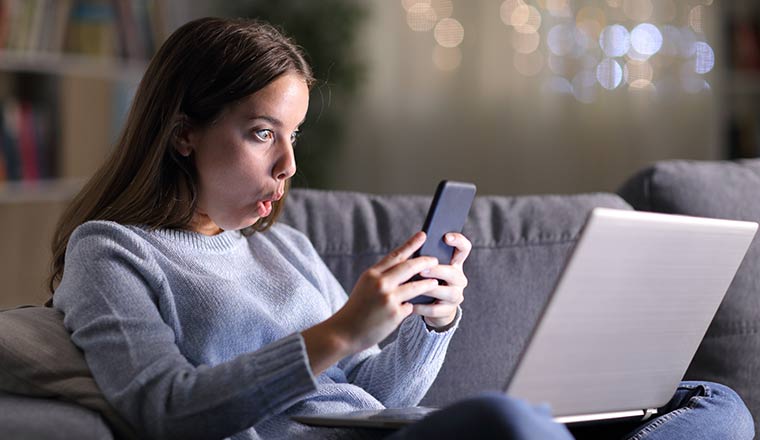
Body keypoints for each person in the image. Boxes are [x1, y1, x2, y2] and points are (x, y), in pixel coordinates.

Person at [48, 17, 754, 440]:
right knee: (507, 426)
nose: (289, 163)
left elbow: (380, 399)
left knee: (714, 404)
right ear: (182, 135)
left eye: (292, 134)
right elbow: (161, 410)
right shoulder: (111, 252)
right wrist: (338, 334)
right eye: (263, 133)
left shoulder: (284, 245)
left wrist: (426, 322)